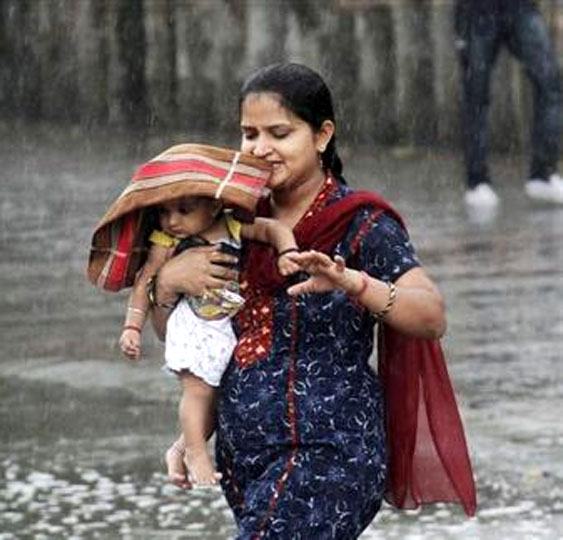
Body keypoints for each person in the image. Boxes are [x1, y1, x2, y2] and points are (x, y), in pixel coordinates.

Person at [151, 63, 477, 538]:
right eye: (249, 133)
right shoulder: (229, 221)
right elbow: (192, 334)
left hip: (331, 450)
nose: (260, 148)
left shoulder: (360, 223)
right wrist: (168, 284)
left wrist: (354, 285)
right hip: (247, 461)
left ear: (322, 135)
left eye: (279, 133)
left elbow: (430, 314)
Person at [87, 143, 299, 486]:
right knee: (197, 392)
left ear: (215, 205)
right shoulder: (165, 241)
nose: (172, 221)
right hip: (193, 323)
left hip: (224, 324)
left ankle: (182, 447)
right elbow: (145, 281)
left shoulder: (231, 227)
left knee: (219, 398)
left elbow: (273, 230)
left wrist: (288, 251)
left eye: (184, 210)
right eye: (164, 212)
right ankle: (197, 454)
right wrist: (132, 326)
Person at [455, 0, 562, 207]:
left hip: (521, 8)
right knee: (475, 94)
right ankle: (476, 181)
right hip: (475, 12)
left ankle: (543, 173)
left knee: (550, 83)